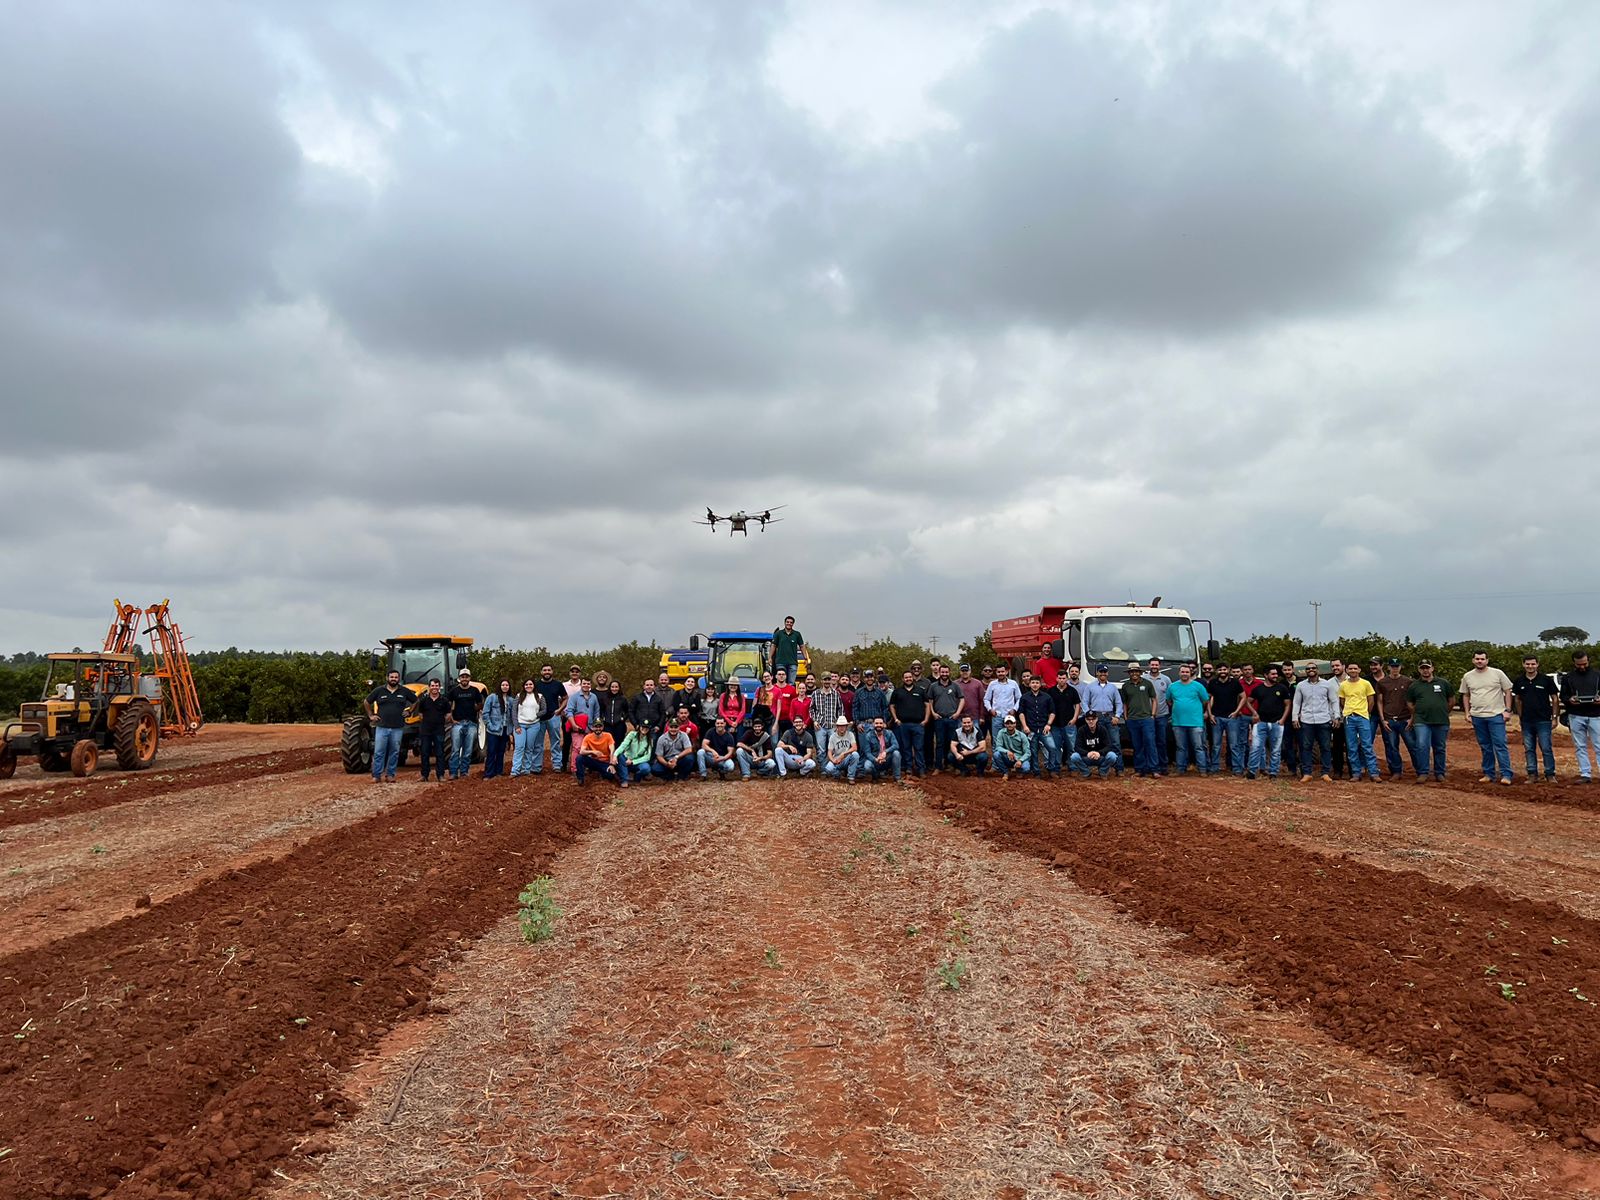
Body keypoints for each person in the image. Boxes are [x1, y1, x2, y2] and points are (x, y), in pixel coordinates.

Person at [1460, 651, 1515, 785]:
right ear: (1473, 660)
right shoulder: (1468, 676)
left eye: (1482, 659)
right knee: (1485, 746)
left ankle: (1506, 774)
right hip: (1478, 716)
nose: (1480, 661)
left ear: (1487, 660)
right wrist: (1467, 713)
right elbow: (1465, 695)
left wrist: (1507, 710)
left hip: (1496, 715)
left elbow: (1508, 691)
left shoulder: (1497, 673)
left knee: (1500, 745)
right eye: (1477, 659)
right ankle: (1488, 773)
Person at [1510, 655, 1559, 782]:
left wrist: (1554, 717)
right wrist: (1520, 716)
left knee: (1546, 747)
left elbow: (1554, 698)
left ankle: (1550, 774)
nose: (1530, 666)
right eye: (1527, 664)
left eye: (1532, 664)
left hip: (1543, 719)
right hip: (1527, 721)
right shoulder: (1519, 681)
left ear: (1537, 664)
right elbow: (1517, 699)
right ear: (1523, 664)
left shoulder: (1546, 680)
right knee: (1529, 748)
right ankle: (1532, 774)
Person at [1404, 660, 1452, 782]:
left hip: (1441, 720)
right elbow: (1409, 702)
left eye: (1427, 668)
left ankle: (1439, 773)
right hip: (1421, 720)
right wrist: (1417, 712)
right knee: (1421, 746)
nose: (1425, 670)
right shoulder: (1414, 685)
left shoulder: (1443, 683)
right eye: (1422, 668)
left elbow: (1451, 700)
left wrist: (1443, 710)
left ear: (1432, 668)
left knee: (1439, 747)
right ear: (1419, 670)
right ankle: (1423, 772)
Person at [364, 668, 411, 783]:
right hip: (382, 726)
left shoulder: (404, 691)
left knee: (394, 752)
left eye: (396, 677)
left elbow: (416, 701)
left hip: (397, 727)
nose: (394, 679)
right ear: (387, 678)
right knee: (379, 751)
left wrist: (409, 711)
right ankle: (376, 775)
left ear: (399, 679)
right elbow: (366, 701)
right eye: (392, 677)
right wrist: (371, 715)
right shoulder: (379, 690)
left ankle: (390, 775)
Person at [1291, 662, 1336, 781]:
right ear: (1305, 671)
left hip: (1324, 719)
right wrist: (1295, 717)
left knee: (1325, 747)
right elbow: (1296, 702)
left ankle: (1325, 773)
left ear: (1318, 670)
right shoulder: (1301, 685)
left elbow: (1333, 701)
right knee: (1306, 747)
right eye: (1308, 668)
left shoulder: (1327, 685)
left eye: (1313, 668)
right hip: (1307, 720)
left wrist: (1336, 716)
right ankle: (1307, 773)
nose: (1311, 670)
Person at [1560, 650, 1600, 784]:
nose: (1582, 667)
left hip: (1596, 715)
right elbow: (1563, 696)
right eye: (1579, 665)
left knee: (1599, 745)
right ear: (1574, 663)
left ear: (1588, 661)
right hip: (1576, 715)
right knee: (1580, 746)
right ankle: (1585, 773)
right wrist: (1570, 699)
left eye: (1584, 663)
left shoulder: (1598, 675)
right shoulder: (1568, 678)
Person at [1372, 659, 1416, 780]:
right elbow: (1379, 702)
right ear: (1388, 667)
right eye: (1392, 666)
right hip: (1389, 720)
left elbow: (1413, 701)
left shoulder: (1408, 682)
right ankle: (1396, 771)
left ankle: (1420, 770)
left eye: (1397, 666)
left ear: (1401, 667)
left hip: (1405, 719)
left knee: (1412, 745)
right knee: (1392, 747)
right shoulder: (1382, 683)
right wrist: (1382, 719)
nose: (1395, 668)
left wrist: (1412, 718)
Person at [1337, 663, 1381, 782]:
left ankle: (1373, 772)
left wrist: (1366, 712)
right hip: (1349, 718)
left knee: (1367, 745)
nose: (1353, 670)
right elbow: (1342, 701)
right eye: (1350, 668)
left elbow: (1371, 700)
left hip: (1363, 717)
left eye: (1355, 668)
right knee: (1351, 747)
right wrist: (1348, 711)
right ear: (1346, 670)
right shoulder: (1343, 685)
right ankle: (1356, 773)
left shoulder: (1366, 684)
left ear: (1359, 670)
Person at [1248, 666, 1293, 780]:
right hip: (1261, 723)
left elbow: (1288, 704)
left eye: (1276, 674)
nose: (1275, 676)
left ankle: (1273, 772)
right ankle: (1252, 771)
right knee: (1255, 748)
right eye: (1273, 674)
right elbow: (1248, 701)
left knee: (1276, 749)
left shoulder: (1282, 688)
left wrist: (1283, 719)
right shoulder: (1258, 689)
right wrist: (1254, 713)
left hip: (1277, 723)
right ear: (1265, 675)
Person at [1167, 663, 1211, 774]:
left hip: (1195, 722)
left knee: (1199, 747)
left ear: (1190, 673)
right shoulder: (1172, 686)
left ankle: (1202, 769)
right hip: (1178, 722)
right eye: (1183, 672)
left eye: (1187, 672)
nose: (1185, 674)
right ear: (1179, 673)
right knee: (1180, 747)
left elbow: (1205, 701)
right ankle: (1180, 769)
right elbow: (1169, 701)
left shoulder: (1198, 686)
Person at [1119, 663, 1159, 778]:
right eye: (1132, 672)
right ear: (1129, 673)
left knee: (1150, 743)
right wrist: (1126, 717)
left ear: (1140, 672)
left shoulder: (1147, 684)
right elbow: (1125, 703)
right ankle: (1139, 769)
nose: (1134, 673)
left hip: (1147, 719)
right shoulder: (1126, 686)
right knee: (1137, 746)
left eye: (1136, 671)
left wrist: (1152, 714)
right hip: (1132, 720)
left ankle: (1154, 769)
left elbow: (1154, 699)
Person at [409, 679, 452, 782]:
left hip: (439, 730)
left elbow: (448, 714)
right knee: (424, 752)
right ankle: (424, 775)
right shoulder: (424, 701)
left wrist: (440, 721)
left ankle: (440, 775)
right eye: (432, 686)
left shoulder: (444, 701)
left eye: (436, 685)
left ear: (439, 687)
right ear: (429, 687)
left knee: (440, 753)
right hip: (426, 731)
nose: (434, 688)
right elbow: (420, 715)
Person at [889, 670, 931, 776]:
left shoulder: (920, 691)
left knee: (919, 747)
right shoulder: (898, 691)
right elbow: (892, 706)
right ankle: (908, 767)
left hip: (918, 724)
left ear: (912, 678)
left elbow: (927, 705)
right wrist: (896, 719)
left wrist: (926, 719)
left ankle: (921, 768)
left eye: (910, 677)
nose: (908, 679)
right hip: (903, 725)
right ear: (903, 679)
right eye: (906, 677)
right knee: (905, 747)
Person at [1016, 674, 1056, 776]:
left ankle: (1051, 769)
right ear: (1029, 684)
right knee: (1033, 751)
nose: (1035, 685)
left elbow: (1052, 712)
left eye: (1037, 683)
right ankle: (1036, 771)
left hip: (1044, 729)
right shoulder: (1024, 698)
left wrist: (1048, 724)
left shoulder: (1047, 697)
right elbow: (1021, 713)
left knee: (1052, 748)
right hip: (1031, 729)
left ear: (1040, 684)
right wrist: (1024, 726)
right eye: (1033, 683)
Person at [531, 665, 568, 775]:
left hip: (553, 716)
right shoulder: (536, 685)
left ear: (552, 671)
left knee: (555, 742)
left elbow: (565, 698)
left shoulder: (558, 685)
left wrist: (560, 709)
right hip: (539, 718)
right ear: (541, 672)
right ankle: (536, 766)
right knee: (537, 743)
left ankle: (557, 765)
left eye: (549, 670)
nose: (547, 672)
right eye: (544, 670)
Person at [1080, 664, 1124, 756]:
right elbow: (1084, 702)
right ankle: (1102, 766)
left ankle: (1118, 767)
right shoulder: (1090, 686)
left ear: (1107, 673)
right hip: (1096, 717)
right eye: (1101, 672)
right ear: (1097, 673)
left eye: (1104, 672)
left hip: (1110, 717)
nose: (1103, 674)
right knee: (1098, 743)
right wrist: (1089, 716)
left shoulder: (1113, 687)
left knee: (1115, 742)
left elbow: (1119, 703)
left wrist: (1117, 716)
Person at [1207, 665, 1243, 775]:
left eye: (1224, 669)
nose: (1222, 671)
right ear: (1217, 671)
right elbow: (1208, 699)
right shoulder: (1213, 683)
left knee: (1234, 745)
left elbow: (1244, 697)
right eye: (1220, 670)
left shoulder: (1235, 683)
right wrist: (1210, 714)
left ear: (1228, 671)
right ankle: (1215, 768)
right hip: (1216, 717)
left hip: (1232, 718)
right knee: (1216, 745)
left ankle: (1237, 768)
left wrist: (1237, 711)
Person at [574, 715, 627, 787]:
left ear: (603, 727)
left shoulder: (608, 736)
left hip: (605, 762)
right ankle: (580, 778)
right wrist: (593, 752)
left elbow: (612, 750)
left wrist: (611, 764)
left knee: (610, 775)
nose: (598, 729)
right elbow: (582, 751)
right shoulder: (588, 737)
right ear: (592, 727)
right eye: (596, 727)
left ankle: (605, 774)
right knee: (579, 758)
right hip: (594, 761)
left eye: (600, 726)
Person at [480, 678, 515, 780]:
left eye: (507, 685)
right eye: (503, 685)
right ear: (499, 686)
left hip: (505, 729)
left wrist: (511, 729)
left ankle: (499, 772)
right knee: (491, 751)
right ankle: (488, 773)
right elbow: (485, 713)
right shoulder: (492, 698)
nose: (505, 687)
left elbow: (512, 716)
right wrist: (489, 725)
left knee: (501, 751)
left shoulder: (511, 700)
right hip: (493, 730)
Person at [565, 677, 601, 770]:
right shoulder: (574, 697)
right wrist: (573, 725)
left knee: (588, 748)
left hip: (590, 727)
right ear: (581, 684)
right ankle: (575, 768)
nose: (586, 685)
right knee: (577, 748)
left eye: (588, 684)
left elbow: (597, 712)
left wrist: (596, 726)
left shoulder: (594, 697)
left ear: (590, 685)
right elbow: (569, 711)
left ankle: (586, 767)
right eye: (584, 683)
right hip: (578, 726)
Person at [1069, 711, 1120, 777]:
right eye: (1088, 719)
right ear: (1085, 720)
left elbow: (1108, 746)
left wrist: (1099, 753)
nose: (1091, 721)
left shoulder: (1102, 729)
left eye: (1093, 719)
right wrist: (1087, 753)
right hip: (1087, 757)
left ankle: (1103, 771)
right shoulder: (1081, 730)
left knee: (1112, 756)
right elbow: (1077, 747)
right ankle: (1086, 772)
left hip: (1100, 757)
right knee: (1074, 756)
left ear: (1097, 719)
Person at [511, 678, 544, 777]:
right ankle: (515, 770)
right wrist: (516, 725)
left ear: (534, 685)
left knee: (529, 748)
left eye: (530, 684)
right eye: (526, 684)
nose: (528, 686)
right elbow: (514, 711)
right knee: (519, 747)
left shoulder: (539, 696)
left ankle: (526, 770)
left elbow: (544, 709)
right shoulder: (518, 696)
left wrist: (536, 715)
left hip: (534, 725)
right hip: (520, 725)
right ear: (523, 686)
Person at [1145, 657, 1172, 776]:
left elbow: (1170, 696)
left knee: (1161, 741)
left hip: (1162, 715)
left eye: (1156, 665)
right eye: (1152, 664)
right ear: (1148, 665)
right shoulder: (1144, 678)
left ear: (1159, 666)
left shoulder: (1166, 679)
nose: (1154, 667)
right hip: (1146, 715)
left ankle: (1163, 766)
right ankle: (1149, 766)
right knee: (1149, 741)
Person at [1051, 668, 1082, 769]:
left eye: (1064, 678)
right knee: (1056, 747)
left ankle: (1072, 766)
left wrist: (1074, 718)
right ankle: (1056, 767)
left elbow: (1077, 705)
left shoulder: (1072, 691)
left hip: (1069, 723)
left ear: (1067, 679)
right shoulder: (1051, 691)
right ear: (1056, 679)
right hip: (1055, 724)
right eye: (1060, 678)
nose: (1061, 680)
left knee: (1072, 747)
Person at [1326, 658, 1351, 778]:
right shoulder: (1329, 683)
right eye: (1333, 666)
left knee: (1352, 745)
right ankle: (1337, 770)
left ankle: (1353, 771)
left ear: (1343, 666)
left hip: (1351, 718)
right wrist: (1333, 717)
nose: (1335, 668)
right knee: (1337, 746)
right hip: (1336, 720)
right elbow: (1328, 702)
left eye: (1337, 665)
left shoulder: (1353, 680)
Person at [851, 667, 889, 744]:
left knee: (877, 748)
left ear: (874, 678)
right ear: (864, 679)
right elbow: (855, 708)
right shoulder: (858, 692)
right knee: (863, 749)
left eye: (871, 677)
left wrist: (884, 722)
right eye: (867, 677)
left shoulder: (880, 692)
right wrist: (857, 723)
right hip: (863, 725)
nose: (869, 679)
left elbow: (885, 708)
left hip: (877, 725)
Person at [860, 717, 903, 784]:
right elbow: (867, 753)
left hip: (886, 759)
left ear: (884, 725)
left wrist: (886, 751)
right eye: (876, 723)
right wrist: (876, 759)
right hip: (875, 760)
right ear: (873, 724)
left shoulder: (889, 733)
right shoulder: (868, 736)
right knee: (867, 766)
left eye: (881, 723)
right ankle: (875, 776)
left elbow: (896, 745)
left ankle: (897, 778)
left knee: (896, 753)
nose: (878, 725)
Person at [811, 673, 843, 761]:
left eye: (828, 679)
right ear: (821, 681)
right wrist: (814, 721)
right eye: (825, 679)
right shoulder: (816, 694)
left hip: (833, 726)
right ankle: (823, 770)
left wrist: (838, 723)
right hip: (820, 726)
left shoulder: (836, 694)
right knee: (821, 750)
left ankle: (832, 767)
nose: (827, 681)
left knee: (833, 748)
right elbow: (811, 709)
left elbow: (840, 709)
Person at [631, 677, 669, 746]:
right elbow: (631, 711)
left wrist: (659, 726)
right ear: (644, 686)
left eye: (651, 685)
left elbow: (663, 714)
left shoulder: (658, 699)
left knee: (652, 745)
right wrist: (635, 724)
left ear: (654, 686)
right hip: (640, 727)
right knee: (639, 745)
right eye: (647, 685)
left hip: (653, 728)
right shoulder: (637, 698)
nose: (649, 687)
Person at [992, 714, 1032, 779]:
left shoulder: (1022, 735)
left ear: (1015, 724)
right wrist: (1007, 751)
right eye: (1007, 723)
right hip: (1008, 757)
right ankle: (1005, 772)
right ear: (1004, 724)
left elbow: (1028, 752)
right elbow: (998, 747)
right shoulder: (1001, 732)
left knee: (1026, 768)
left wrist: (1020, 760)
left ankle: (1019, 771)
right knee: (996, 754)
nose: (1009, 725)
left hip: (1019, 757)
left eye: (1011, 723)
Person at [823, 716, 860, 782]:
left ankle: (851, 777)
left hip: (846, 758)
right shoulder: (832, 736)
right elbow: (829, 752)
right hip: (837, 760)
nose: (842, 727)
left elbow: (855, 748)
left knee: (855, 754)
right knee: (828, 769)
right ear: (837, 726)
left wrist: (843, 754)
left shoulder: (850, 734)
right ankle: (838, 773)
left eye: (843, 726)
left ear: (846, 726)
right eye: (840, 726)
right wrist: (833, 760)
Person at [771, 616, 807, 684]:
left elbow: (802, 646)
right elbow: (773, 645)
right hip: (780, 662)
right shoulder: (779, 633)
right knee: (781, 682)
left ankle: (790, 694)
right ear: (785, 623)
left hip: (792, 663)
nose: (789, 623)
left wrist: (805, 658)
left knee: (791, 682)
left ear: (793, 624)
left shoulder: (797, 634)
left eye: (791, 622)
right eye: (787, 622)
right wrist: (770, 657)